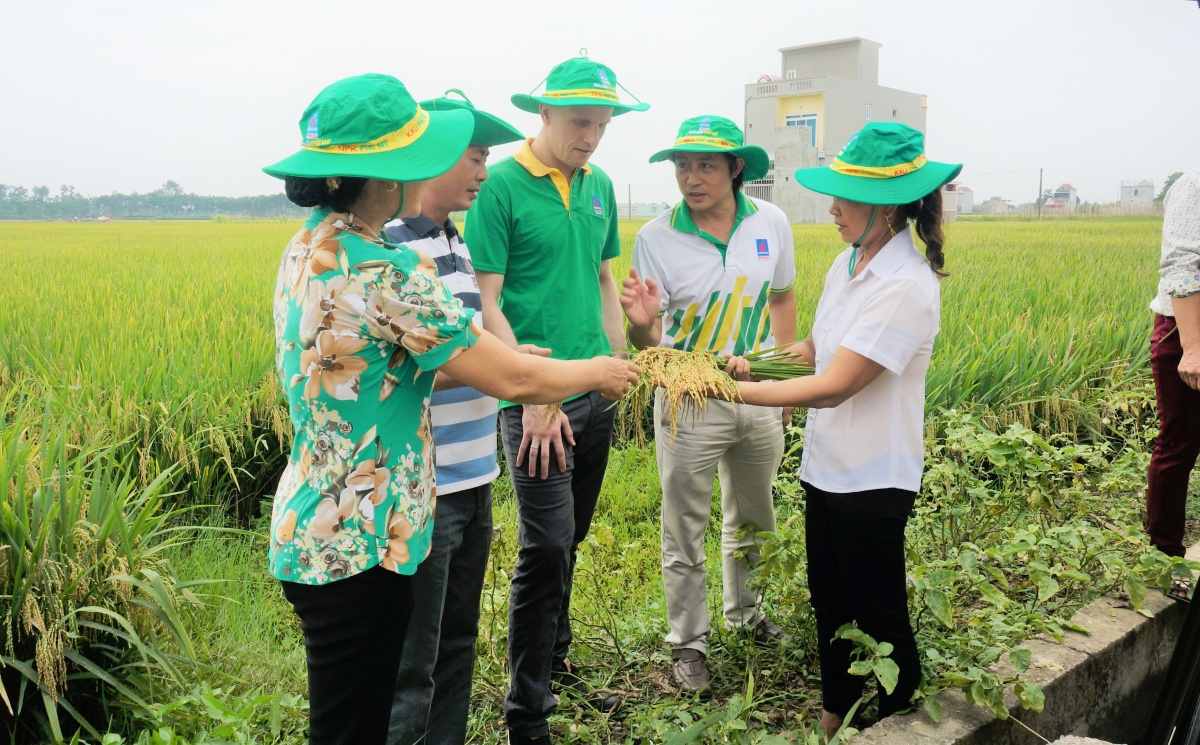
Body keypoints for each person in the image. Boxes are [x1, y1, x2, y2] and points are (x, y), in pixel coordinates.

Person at [263, 73, 639, 745]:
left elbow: (375, 366)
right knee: (362, 723)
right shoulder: (383, 269)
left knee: (348, 719)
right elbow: (513, 375)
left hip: (316, 519)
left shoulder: (309, 247)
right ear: (387, 175)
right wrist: (599, 370)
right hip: (363, 537)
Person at [719, 122, 961, 736]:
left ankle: (899, 722)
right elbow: (814, 349)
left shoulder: (906, 286)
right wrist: (755, 363)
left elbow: (836, 384)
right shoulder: (846, 262)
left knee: (879, 613)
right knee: (830, 601)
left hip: (873, 478)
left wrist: (734, 392)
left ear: (888, 206)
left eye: (845, 198)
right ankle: (836, 712)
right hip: (826, 467)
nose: (831, 209)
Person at [463, 56, 649, 745]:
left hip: (595, 394)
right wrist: (534, 396)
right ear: (543, 114)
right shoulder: (500, 187)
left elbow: (602, 280)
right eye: (579, 122)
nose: (590, 138)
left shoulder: (598, 187)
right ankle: (526, 712)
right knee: (544, 546)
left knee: (570, 538)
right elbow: (486, 302)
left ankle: (555, 663)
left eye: (601, 125)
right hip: (536, 402)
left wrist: (616, 363)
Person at [620, 115, 797, 694]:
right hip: (689, 398)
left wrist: (787, 379)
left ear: (735, 168)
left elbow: (782, 297)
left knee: (755, 513)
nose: (691, 178)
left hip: (758, 390)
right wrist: (640, 324)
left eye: (705, 166)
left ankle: (748, 615)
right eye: (682, 166)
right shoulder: (655, 237)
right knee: (684, 525)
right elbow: (649, 341)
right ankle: (689, 642)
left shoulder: (770, 222)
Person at [380, 90, 526, 745]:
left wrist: (506, 360)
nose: (484, 173)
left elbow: (472, 340)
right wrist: (495, 368)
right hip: (425, 486)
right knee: (414, 659)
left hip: (474, 476)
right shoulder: (389, 247)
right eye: (474, 157)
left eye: (486, 158)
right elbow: (401, 370)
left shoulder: (452, 240)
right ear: (431, 155)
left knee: (458, 639)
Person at [1146, 165, 1200, 584]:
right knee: (1180, 443)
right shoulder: (1193, 185)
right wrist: (1193, 347)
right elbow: (1182, 266)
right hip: (1187, 329)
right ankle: (1166, 561)